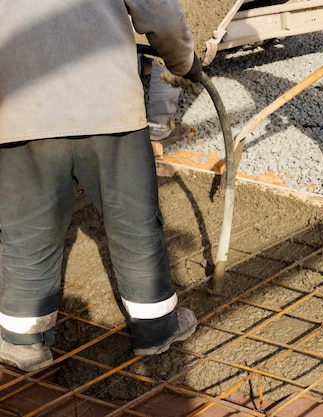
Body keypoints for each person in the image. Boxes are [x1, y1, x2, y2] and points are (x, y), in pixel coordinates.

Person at [0, 0, 204, 372]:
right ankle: (156, 328)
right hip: (108, 108)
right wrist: (184, 62)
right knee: (133, 222)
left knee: (28, 230)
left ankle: (23, 342)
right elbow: (158, 9)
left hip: (20, 107)